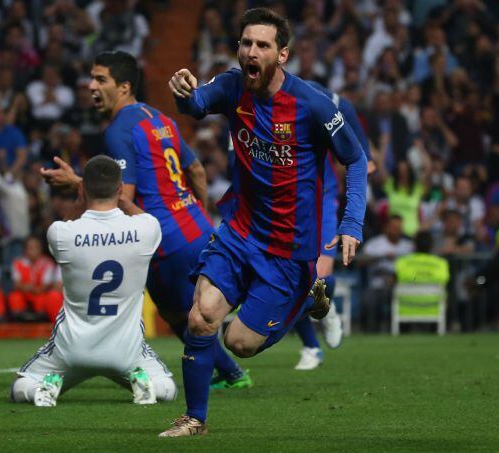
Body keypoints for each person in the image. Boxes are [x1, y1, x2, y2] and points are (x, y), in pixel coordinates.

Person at [163, 7, 367, 436]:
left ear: (283, 54)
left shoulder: (311, 105)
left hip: (289, 249)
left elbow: (356, 158)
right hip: (240, 231)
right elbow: (197, 103)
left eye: (262, 45)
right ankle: (194, 419)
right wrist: (184, 92)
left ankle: (307, 294)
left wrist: (351, 223)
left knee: (239, 342)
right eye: (246, 43)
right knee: (201, 318)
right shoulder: (233, 85)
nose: (251, 52)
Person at [41, 51, 249, 390]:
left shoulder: (118, 131)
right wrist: (195, 210)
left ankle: (232, 373)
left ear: (123, 87)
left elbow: (121, 195)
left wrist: (74, 183)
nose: (91, 86)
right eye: (92, 78)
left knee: (179, 317)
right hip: (197, 226)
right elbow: (195, 169)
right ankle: (231, 368)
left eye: (101, 79)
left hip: (164, 238)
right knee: (200, 310)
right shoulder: (160, 118)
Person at [10, 156, 177, 407]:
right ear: (120, 189)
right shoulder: (147, 229)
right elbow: (140, 215)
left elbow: (68, 222)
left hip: (70, 350)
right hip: (125, 351)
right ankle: (147, 385)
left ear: (84, 189)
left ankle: (42, 391)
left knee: (20, 386)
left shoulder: (61, 233)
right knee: (168, 388)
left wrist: (80, 193)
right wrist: (118, 197)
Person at [291, 80, 373, 371]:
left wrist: (366, 154)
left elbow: (345, 106)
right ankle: (311, 345)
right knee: (294, 279)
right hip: (278, 204)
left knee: (317, 277)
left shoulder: (309, 94)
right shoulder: (248, 100)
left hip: (319, 198)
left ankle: (327, 304)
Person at [394, 231, 450, 329]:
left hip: (406, 307)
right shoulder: (441, 263)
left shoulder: (402, 262)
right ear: (432, 245)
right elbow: (445, 280)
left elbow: (396, 278)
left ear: (414, 245)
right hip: (434, 307)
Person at [7, 237, 62, 321]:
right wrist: (25, 288)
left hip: (40, 293)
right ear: (25, 250)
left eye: (36, 247)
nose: (33, 251)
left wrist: (34, 289)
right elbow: (16, 284)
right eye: (30, 248)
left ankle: (41, 319)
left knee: (44, 298)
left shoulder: (48, 263)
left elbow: (46, 286)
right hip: (24, 292)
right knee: (15, 296)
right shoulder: (18, 263)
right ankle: (18, 320)